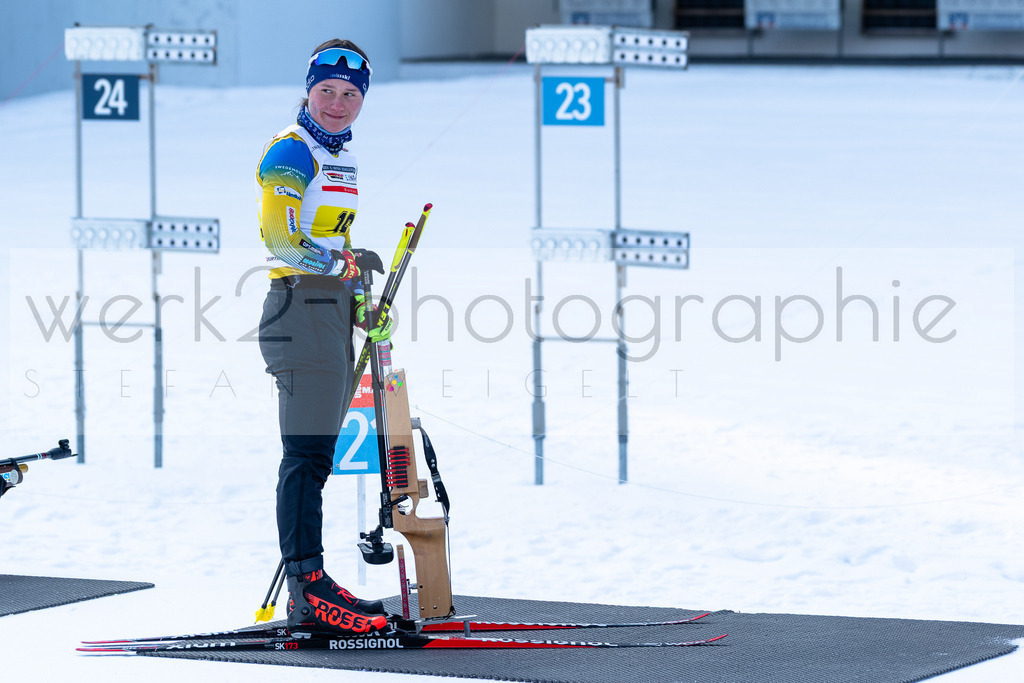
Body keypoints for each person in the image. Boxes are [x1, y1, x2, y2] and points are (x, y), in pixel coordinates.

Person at [256, 38, 393, 636]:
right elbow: (282, 241)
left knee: (318, 458)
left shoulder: (339, 156)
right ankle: (309, 590)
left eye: (351, 94)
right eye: (327, 91)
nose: (338, 103)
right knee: (306, 456)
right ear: (309, 89)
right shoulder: (292, 151)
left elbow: (332, 244)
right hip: (300, 310)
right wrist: (343, 271)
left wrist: (363, 296)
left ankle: (310, 586)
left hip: (329, 312)